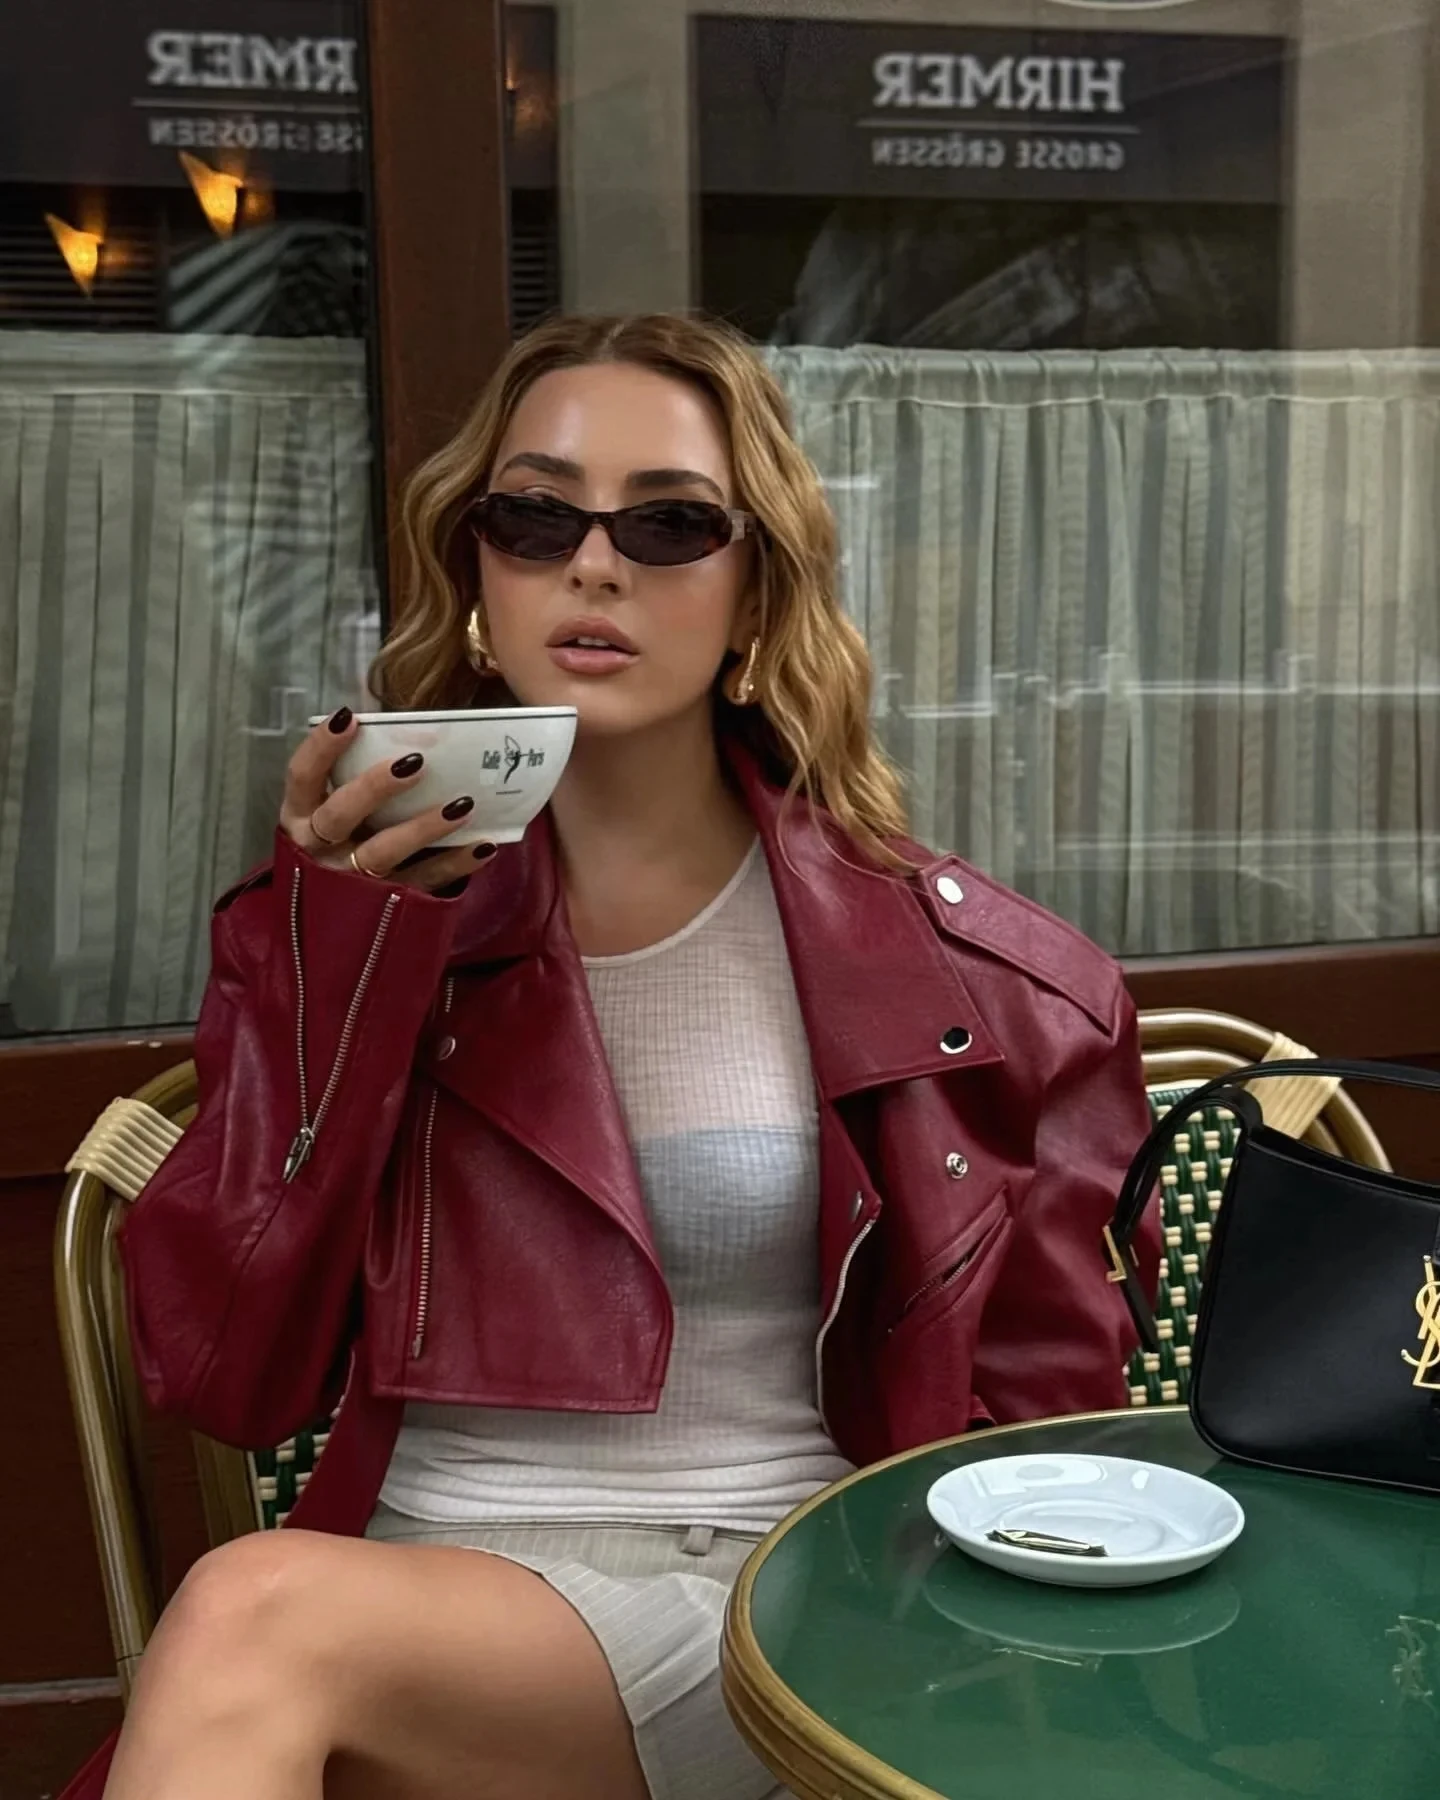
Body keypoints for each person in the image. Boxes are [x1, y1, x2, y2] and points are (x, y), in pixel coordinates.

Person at [74, 313, 1158, 1800]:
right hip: (416, 1611)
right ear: (477, 574)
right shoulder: (345, 923)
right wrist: (351, 960)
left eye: (669, 524)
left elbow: (1051, 1450)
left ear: (755, 591)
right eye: (536, 518)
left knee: (247, 1619)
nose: (594, 565)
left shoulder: (977, 983)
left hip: (778, 1599)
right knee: (266, 1635)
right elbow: (226, 1375)